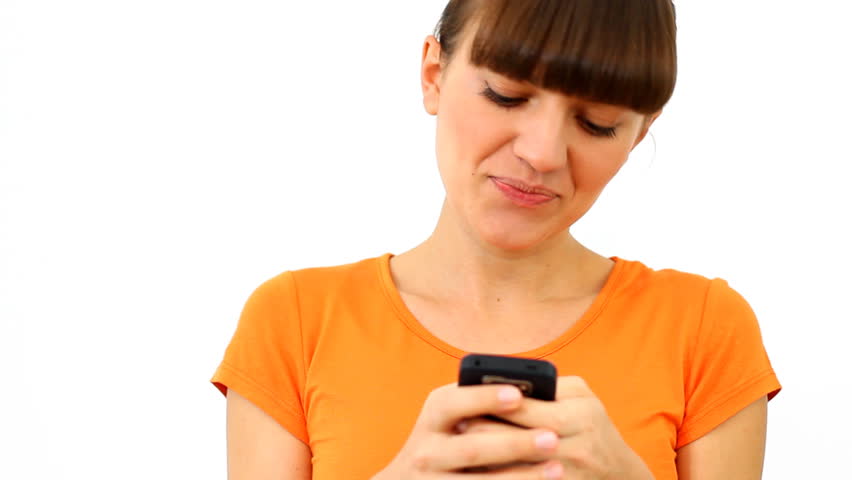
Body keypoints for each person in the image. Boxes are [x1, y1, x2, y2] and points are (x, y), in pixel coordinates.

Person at [211, 1, 781, 478]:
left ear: (640, 133)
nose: (542, 153)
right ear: (433, 74)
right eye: (506, 95)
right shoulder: (295, 322)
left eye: (597, 123)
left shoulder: (704, 328)